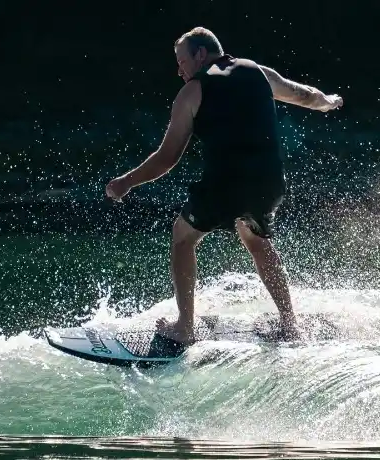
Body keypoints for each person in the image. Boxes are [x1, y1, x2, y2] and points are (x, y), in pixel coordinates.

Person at [105, 27, 343, 344]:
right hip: (269, 184)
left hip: (224, 186)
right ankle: (290, 323)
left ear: (201, 54)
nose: (180, 70)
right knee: (256, 238)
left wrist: (126, 181)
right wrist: (327, 102)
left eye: (182, 61)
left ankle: (185, 328)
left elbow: (168, 157)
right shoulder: (258, 72)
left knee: (182, 238)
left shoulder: (193, 91)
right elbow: (303, 95)